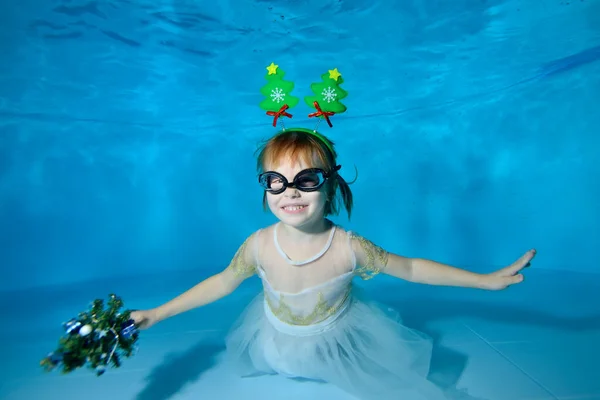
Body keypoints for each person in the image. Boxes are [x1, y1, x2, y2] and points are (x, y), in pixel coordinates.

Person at [131, 65, 536, 399]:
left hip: (340, 340)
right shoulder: (258, 245)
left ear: (330, 187)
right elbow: (222, 282)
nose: (289, 191)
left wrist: (483, 281)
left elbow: (410, 268)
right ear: (264, 187)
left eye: (306, 179)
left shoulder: (349, 247)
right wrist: (157, 313)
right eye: (276, 180)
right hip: (276, 341)